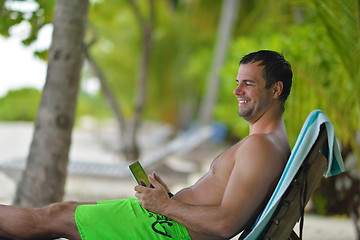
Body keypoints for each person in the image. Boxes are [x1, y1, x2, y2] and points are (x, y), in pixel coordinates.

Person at [0, 50, 293, 240]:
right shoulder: (271, 144)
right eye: (238, 82)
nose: (236, 90)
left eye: (248, 84)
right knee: (60, 214)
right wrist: (169, 200)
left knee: (52, 217)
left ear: (275, 89)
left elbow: (226, 224)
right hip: (170, 221)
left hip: (165, 230)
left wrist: (164, 205)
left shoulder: (261, 148)